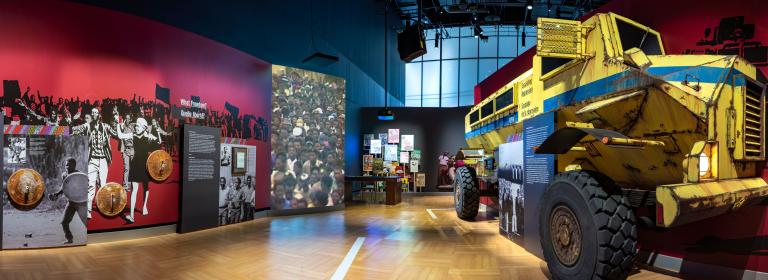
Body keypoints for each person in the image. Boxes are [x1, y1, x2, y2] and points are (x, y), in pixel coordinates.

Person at [116, 117, 162, 223]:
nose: (135, 127)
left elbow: (159, 142)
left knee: (146, 186)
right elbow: (120, 135)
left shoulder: (149, 136)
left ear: (143, 127)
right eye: (135, 126)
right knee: (134, 189)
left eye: (137, 126)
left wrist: (158, 132)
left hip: (146, 164)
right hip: (135, 163)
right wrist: (119, 125)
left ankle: (144, 206)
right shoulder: (133, 135)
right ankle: (132, 215)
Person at [49, 158, 87, 244]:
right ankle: (69, 239)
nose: (67, 166)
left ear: (74, 165)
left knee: (86, 222)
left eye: (69, 165)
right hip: (71, 202)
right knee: (64, 222)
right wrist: (57, 194)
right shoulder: (64, 175)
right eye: (66, 165)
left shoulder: (79, 175)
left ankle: (92, 236)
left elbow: (85, 186)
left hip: (81, 203)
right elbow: (64, 187)